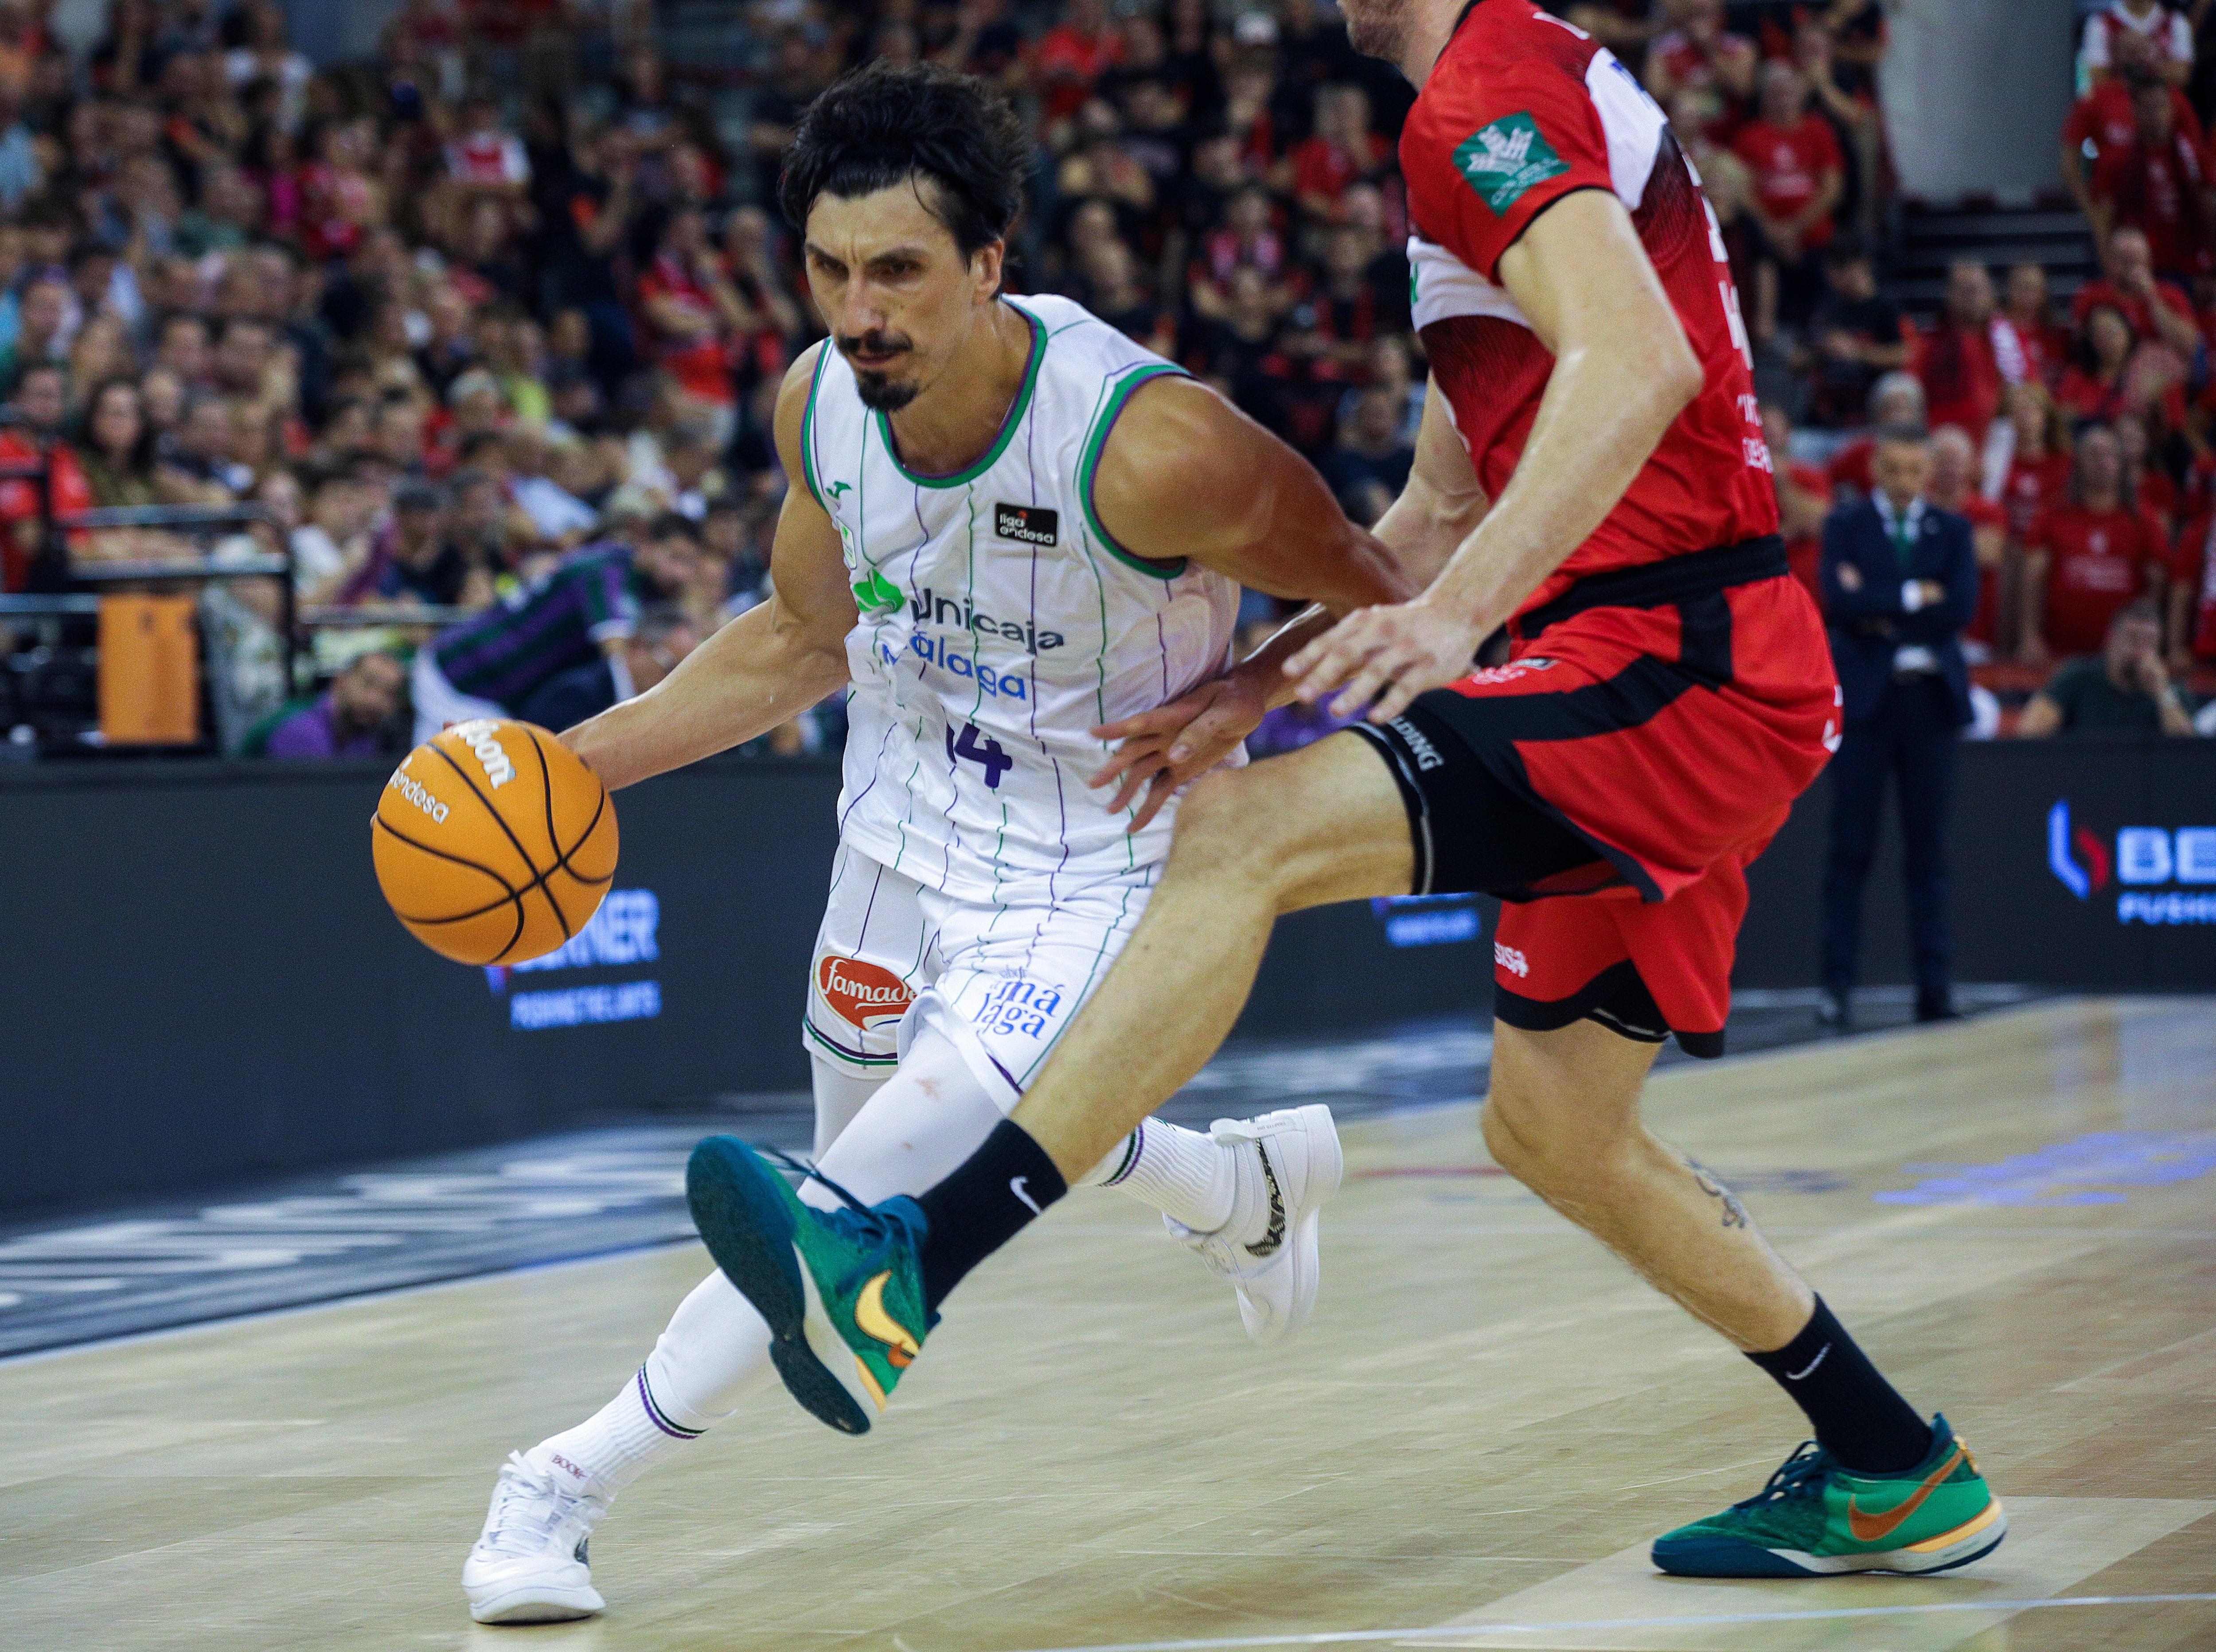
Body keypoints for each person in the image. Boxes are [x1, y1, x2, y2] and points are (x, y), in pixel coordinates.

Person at [688, 0, 2005, 1594]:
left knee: (1238, 831)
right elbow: (1440, 504)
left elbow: (1636, 362)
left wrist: (1458, 621)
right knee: (1555, 1131)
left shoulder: (1483, 90)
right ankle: (1888, 1458)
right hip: (1649, 659)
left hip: (1679, 654)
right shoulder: (1471, 121)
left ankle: (910, 1262)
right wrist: (1255, 678)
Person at [457, 62, 1414, 1625]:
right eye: (830, 271)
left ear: (990, 263)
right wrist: (563, 770)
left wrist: (1245, 687)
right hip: (896, 830)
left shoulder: (1151, 447)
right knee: (918, 1148)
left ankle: (558, 1481)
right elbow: (796, 637)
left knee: (837, 1213)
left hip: (1089, 855)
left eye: (898, 270)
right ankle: (1232, 1185)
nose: (859, 310)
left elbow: (1381, 588)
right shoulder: (819, 401)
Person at [1814, 425, 1978, 1029]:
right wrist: (1915, 596)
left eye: (1915, 470)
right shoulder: (1845, 526)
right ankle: (1835, 988)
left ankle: (1934, 989)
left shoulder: (1954, 531)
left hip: (1930, 705)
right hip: (1867, 706)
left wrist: (1881, 610)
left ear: (1927, 472)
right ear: (1877, 470)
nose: (1905, 482)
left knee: (1929, 854)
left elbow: (1960, 606)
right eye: (1894, 470)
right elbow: (1838, 599)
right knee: (1849, 851)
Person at [410, 512, 702, 744]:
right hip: (461, 678)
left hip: (497, 693)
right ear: (646, 543)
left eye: (691, 565)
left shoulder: (637, 582)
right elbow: (619, 655)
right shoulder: (605, 571)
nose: (681, 574)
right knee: (447, 796)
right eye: (675, 557)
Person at [2021, 423, 2170, 665]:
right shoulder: (2053, 513)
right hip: (2059, 652)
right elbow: (2033, 577)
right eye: (2094, 455)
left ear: (2122, 464)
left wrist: (2144, 642)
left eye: (2110, 455)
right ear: (2079, 463)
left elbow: (2157, 581)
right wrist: (2029, 635)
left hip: (2123, 658)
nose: (2103, 462)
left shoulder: (2143, 518)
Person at [2017, 599, 2199, 736]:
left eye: (2150, 643)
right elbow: (2030, 732)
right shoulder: (2078, 677)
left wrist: (2162, 693)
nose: (2141, 651)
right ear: (2111, 639)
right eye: (2133, 639)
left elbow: (2187, 755)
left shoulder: (2172, 693)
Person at [515, 603, 699, 729]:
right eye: (672, 668)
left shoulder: (642, 706)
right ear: (637, 647)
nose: (676, 682)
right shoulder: (579, 695)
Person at [263, 649, 405, 758]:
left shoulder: (375, 741)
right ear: (340, 681)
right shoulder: (300, 732)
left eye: (388, 693)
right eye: (368, 684)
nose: (375, 700)